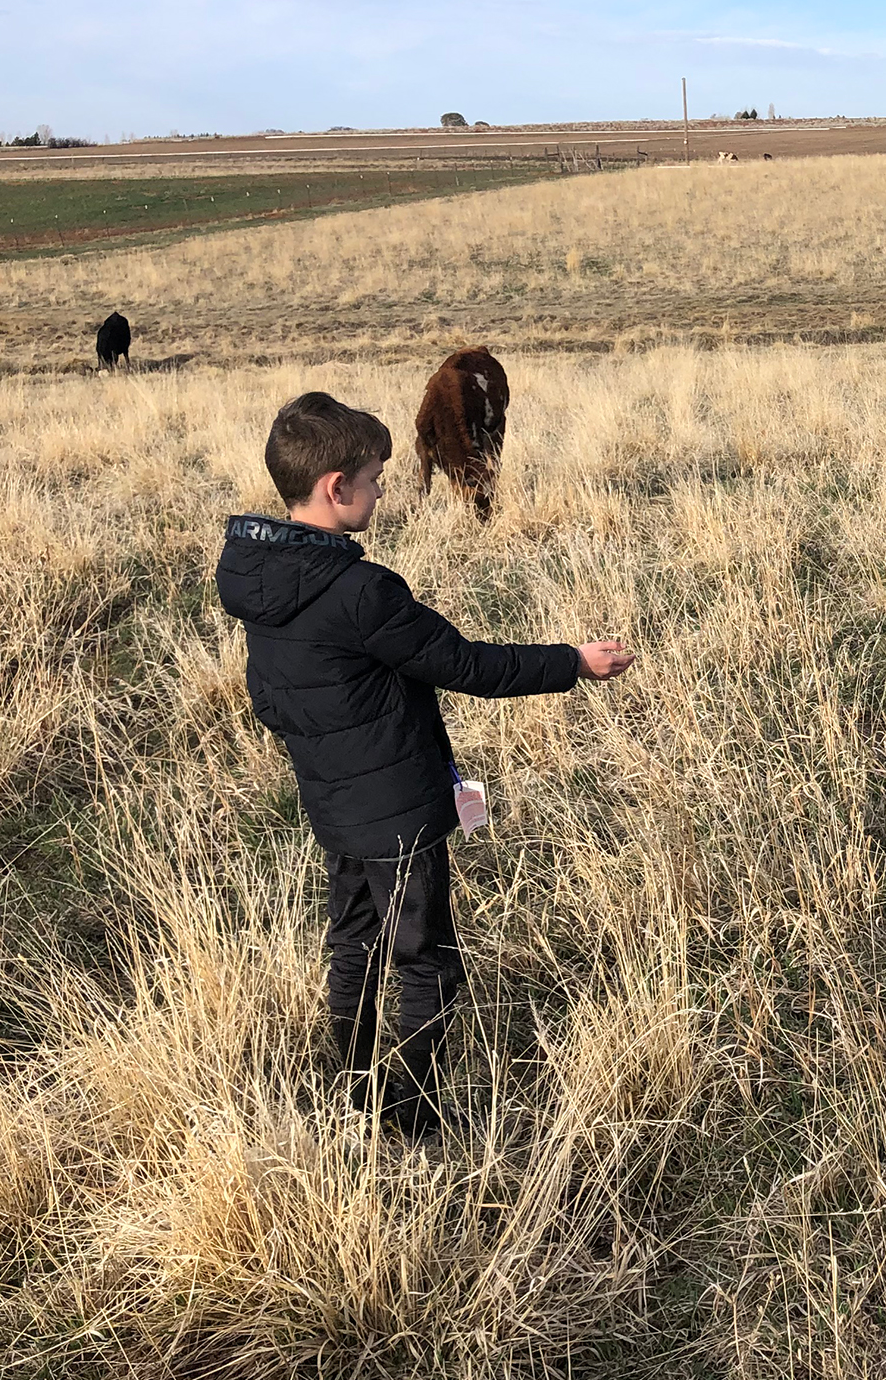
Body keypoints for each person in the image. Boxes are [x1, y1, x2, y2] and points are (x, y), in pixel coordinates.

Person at [215, 391, 633, 1136]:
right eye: (374, 478)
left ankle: (354, 1086)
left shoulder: (259, 579)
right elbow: (465, 663)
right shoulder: (359, 591)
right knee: (426, 962)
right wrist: (573, 661)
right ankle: (408, 1120)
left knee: (353, 946)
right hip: (400, 812)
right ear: (335, 488)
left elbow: (271, 700)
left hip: (334, 804)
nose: (382, 491)